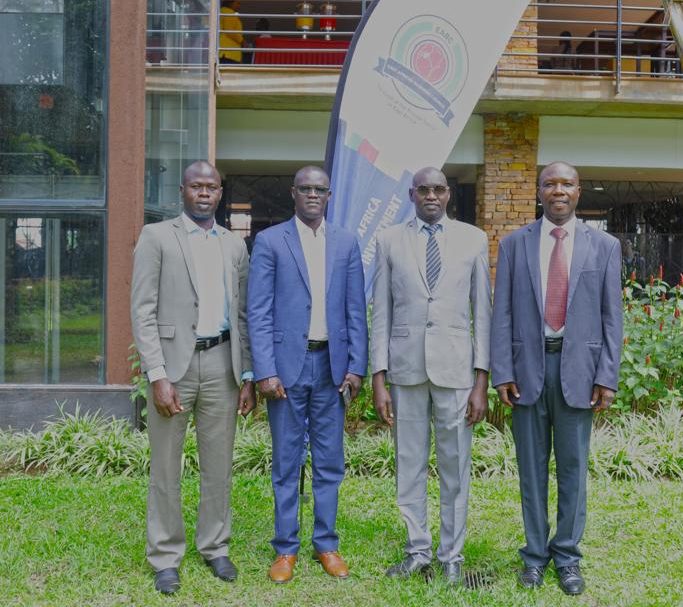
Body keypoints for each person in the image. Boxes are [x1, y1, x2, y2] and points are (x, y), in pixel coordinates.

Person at [489, 161, 622, 596]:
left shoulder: (604, 246)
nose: (558, 190)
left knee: (572, 468)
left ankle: (566, 556)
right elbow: (502, 313)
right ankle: (534, 556)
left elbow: (611, 318)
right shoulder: (513, 245)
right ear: (539, 191)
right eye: (550, 184)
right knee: (530, 470)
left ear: (579, 192)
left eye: (566, 184)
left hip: (579, 372)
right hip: (527, 370)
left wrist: (607, 376)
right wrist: (502, 371)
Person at [130, 160, 254, 595]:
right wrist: (158, 375)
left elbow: (242, 315)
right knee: (166, 466)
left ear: (221, 193)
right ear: (182, 190)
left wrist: (248, 374)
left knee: (218, 465)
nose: (205, 193)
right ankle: (165, 556)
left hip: (223, 364)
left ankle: (215, 546)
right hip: (173, 368)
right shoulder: (157, 237)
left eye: (212, 187)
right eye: (197, 186)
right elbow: (142, 311)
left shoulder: (234, 245)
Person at [371, 167, 491, 587]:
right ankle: (417, 550)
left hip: (457, 371)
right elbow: (381, 312)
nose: (431, 196)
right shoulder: (388, 241)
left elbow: (483, 314)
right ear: (411, 195)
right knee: (409, 462)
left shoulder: (473, 240)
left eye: (438, 189)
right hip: (405, 370)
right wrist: (379, 376)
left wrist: (481, 379)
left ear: (448, 194)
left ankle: (451, 555)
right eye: (423, 189)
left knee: (455, 465)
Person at [247, 165, 368, 583]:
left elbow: (356, 310)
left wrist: (356, 367)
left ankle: (327, 544)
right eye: (306, 189)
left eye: (320, 189)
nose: (313, 195)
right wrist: (265, 370)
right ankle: (285, 550)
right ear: (293, 194)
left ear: (329, 195)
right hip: (286, 369)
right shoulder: (270, 241)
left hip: (331, 368)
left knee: (330, 461)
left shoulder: (346, 243)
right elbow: (258, 312)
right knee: (286, 461)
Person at [219, 0, 245, 64]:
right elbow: (230, 31)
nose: (239, 6)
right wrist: (242, 41)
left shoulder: (221, 11)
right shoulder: (228, 12)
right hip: (229, 52)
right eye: (237, 3)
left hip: (222, 50)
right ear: (230, 2)